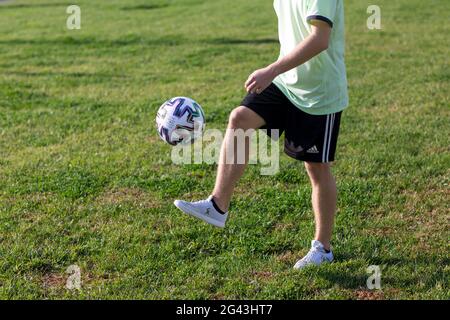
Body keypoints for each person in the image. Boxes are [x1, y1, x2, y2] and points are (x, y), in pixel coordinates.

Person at [174, 0, 349, 269]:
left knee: (316, 167)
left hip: (318, 94)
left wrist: (272, 69)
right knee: (239, 118)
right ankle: (218, 206)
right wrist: (278, 72)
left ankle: (322, 248)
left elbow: (320, 39)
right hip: (286, 83)